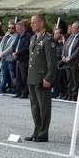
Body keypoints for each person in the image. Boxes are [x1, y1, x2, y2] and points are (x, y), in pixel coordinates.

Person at [24, 14, 57, 143]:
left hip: (42, 78)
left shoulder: (48, 40)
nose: (32, 25)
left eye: (34, 22)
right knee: (35, 106)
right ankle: (37, 130)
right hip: (32, 77)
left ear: (42, 23)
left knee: (44, 106)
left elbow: (51, 62)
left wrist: (48, 78)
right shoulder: (33, 38)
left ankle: (43, 133)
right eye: (31, 22)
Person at [62, 21, 79, 101]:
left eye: (74, 27)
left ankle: (74, 95)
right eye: (72, 27)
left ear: (78, 29)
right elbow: (65, 46)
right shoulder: (70, 36)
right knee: (69, 79)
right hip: (67, 62)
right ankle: (69, 94)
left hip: (74, 62)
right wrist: (64, 56)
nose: (72, 29)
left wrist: (71, 57)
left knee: (75, 79)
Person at [0, 22, 19, 94]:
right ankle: (1, 88)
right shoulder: (6, 36)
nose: (10, 29)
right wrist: (0, 53)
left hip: (10, 59)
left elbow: (12, 47)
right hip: (3, 59)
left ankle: (14, 89)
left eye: (12, 28)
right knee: (3, 74)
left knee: (12, 76)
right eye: (9, 28)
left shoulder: (16, 36)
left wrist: (3, 53)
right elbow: (1, 45)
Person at [12, 21, 30, 98]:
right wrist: (13, 52)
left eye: (19, 29)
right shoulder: (17, 36)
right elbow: (14, 45)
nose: (18, 30)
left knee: (24, 76)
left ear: (23, 28)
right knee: (18, 76)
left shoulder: (27, 36)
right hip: (17, 59)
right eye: (17, 29)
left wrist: (18, 53)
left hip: (23, 59)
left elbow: (26, 47)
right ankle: (18, 91)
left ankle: (24, 92)